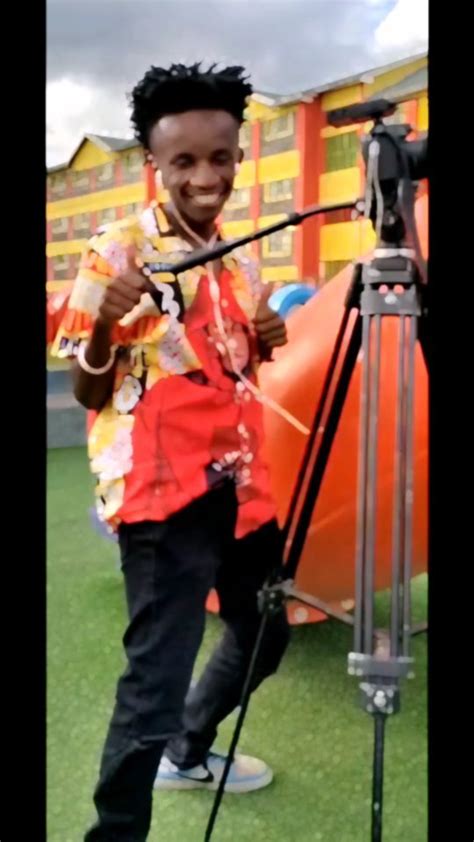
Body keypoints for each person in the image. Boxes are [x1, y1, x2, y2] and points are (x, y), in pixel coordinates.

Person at [52, 63, 292, 842]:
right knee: (152, 686)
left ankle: (187, 751)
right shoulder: (115, 251)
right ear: (155, 164)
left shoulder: (241, 255)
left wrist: (267, 337)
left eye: (220, 158)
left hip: (242, 487)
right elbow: (88, 392)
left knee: (265, 633)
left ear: (238, 157)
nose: (205, 177)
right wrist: (103, 326)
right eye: (183, 161)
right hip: (161, 496)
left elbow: (234, 368)